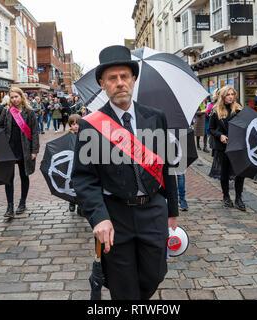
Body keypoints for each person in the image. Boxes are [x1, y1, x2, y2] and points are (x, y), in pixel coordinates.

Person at [72, 45, 178, 300]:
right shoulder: (91, 125)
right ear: (102, 84)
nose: (120, 83)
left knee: (155, 274)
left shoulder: (156, 117)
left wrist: (172, 211)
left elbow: (168, 167)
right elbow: (83, 178)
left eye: (124, 76)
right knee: (123, 286)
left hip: (153, 210)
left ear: (133, 79)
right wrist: (99, 217)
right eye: (112, 78)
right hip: (115, 214)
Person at [0, 87, 39, 218]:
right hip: (9, 149)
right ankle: (10, 206)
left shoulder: (30, 112)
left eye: (16, 96)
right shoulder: (7, 111)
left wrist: (34, 150)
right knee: (8, 178)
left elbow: (34, 132)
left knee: (24, 176)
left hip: (24, 149)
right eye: (12, 97)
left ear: (21, 97)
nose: (14, 99)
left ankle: (22, 202)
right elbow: (0, 127)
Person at [208, 85, 246, 211]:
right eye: (228, 94)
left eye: (232, 94)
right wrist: (220, 136)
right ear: (223, 96)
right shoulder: (216, 111)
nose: (231, 97)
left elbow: (245, 126)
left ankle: (239, 198)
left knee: (240, 173)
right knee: (224, 173)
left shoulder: (239, 109)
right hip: (223, 147)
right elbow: (211, 129)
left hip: (237, 146)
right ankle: (226, 196)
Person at [67, 114, 83, 216]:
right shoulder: (68, 136)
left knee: (81, 185)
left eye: (77, 124)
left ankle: (81, 205)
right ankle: (72, 201)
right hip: (71, 164)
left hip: (81, 164)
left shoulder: (84, 134)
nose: (75, 126)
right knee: (71, 184)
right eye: (73, 124)